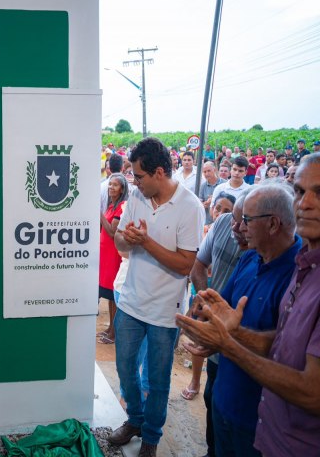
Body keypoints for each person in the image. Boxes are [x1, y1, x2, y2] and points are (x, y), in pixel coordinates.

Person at [177, 154, 320, 456]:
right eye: (300, 192)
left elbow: (311, 389)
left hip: (257, 421)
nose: (237, 227)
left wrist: (227, 342)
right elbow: (281, 340)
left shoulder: (294, 268)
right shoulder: (263, 259)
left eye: (245, 220)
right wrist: (216, 326)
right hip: (232, 403)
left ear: (272, 225)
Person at [108, 138, 204, 457]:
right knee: (125, 368)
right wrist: (129, 239)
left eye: (139, 176)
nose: (134, 182)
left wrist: (146, 243)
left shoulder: (190, 207)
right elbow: (121, 242)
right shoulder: (137, 196)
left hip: (166, 312)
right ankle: (135, 419)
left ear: (159, 172)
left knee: (158, 380)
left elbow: (186, 264)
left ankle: (151, 435)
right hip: (132, 302)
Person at [184, 191, 250, 456]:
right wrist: (206, 304)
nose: (236, 227)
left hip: (243, 348)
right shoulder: (223, 225)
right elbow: (198, 267)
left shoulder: (265, 258)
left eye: (243, 221)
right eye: (232, 219)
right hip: (216, 336)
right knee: (213, 397)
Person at [98, 173, 128, 344]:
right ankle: (110, 329)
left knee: (113, 294)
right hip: (106, 254)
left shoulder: (121, 206)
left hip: (113, 256)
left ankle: (114, 333)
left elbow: (111, 232)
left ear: (122, 189)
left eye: (115, 185)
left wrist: (100, 213)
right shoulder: (112, 205)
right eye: (110, 185)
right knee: (109, 295)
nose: (111, 188)